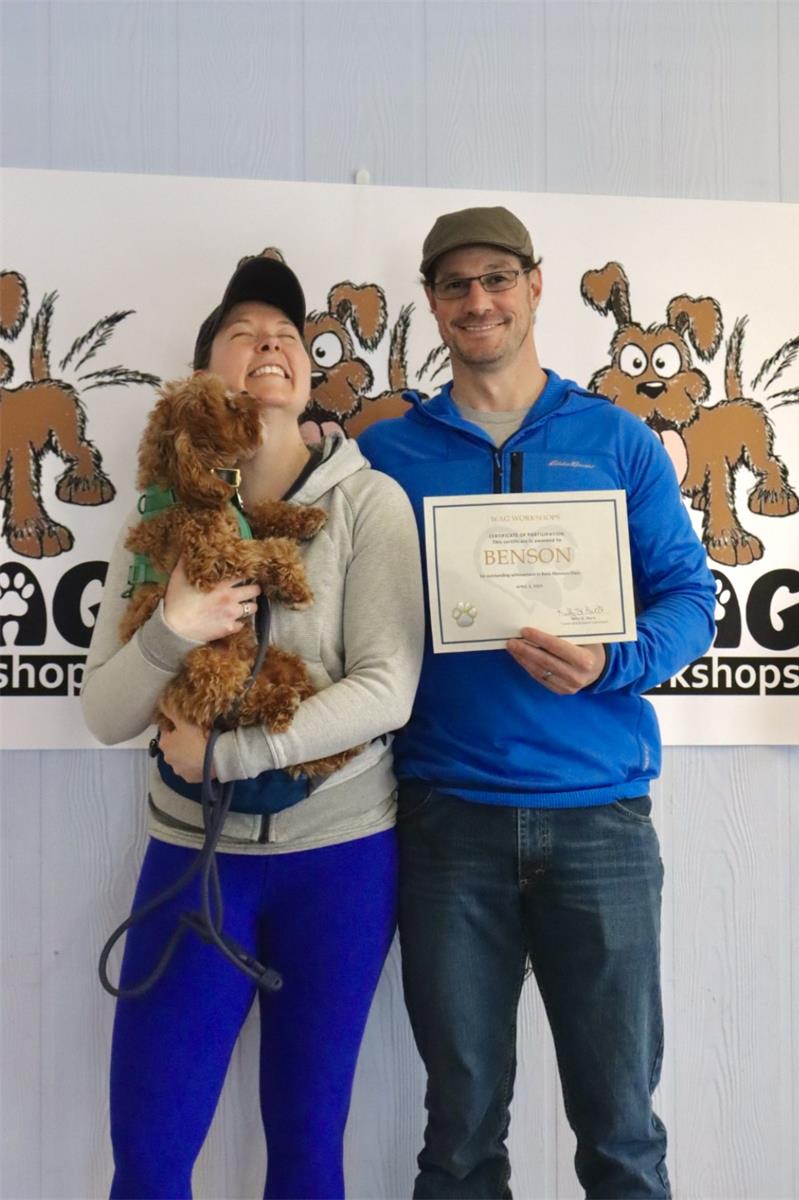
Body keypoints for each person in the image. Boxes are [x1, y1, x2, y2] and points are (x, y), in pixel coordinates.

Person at [358, 206, 716, 1200]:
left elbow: (693, 598)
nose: (479, 301)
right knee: (461, 1134)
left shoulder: (617, 439)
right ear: (433, 303)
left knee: (622, 1133)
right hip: (446, 824)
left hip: (599, 820)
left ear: (535, 285)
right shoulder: (388, 454)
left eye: (498, 279)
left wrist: (617, 660)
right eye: (457, 285)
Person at [81, 252, 424, 1200]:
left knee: (308, 1151)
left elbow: (387, 687)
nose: (269, 342)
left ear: (309, 370)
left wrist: (233, 750)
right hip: (193, 862)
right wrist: (170, 631)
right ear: (206, 376)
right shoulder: (161, 518)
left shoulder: (369, 502)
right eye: (243, 332)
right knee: (149, 1158)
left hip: (342, 863)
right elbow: (105, 712)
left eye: (287, 334)